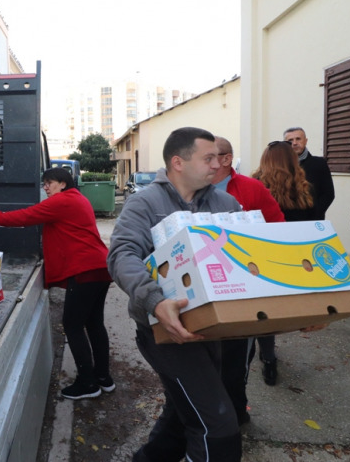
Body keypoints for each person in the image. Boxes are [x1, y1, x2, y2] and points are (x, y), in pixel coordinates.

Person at [108, 127, 243, 462]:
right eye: (209, 158)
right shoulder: (145, 203)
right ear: (178, 162)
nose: (219, 164)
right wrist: (155, 299)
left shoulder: (226, 203)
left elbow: (248, 260)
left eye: (220, 157)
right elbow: (122, 255)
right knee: (218, 424)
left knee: (185, 409)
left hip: (217, 326)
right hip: (165, 330)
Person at [0, 167, 113, 400]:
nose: (46, 188)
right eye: (45, 183)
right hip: (100, 267)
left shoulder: (63, 201)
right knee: (94, 324)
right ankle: (103, 378)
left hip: (85, 270)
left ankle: (88, 384)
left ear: (63, 183)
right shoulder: (79, 199)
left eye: (49, 183)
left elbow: (27, 216)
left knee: (73, 325)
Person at [211, 137, 286, 422]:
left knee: (236, 356)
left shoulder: (251, 189)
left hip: (243, 288)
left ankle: (236, 412)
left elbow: (277, 228)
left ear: (226, 159)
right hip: (206, 289)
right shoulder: (189, 188)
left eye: (209, 157)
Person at [249, 139, 317, 389]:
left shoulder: (254, 184)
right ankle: (269, 358)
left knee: (261, 305)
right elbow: (314, 220)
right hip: (293, 253)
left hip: (261, 251)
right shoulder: (304, 186)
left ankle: (263, 353)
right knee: (276, 306)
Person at [283, 127, 335, 220]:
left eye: (298, 139)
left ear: (305, 141)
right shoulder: (280, 165)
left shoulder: (319, 163)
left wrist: (314, 215)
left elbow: (328, 194)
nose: (294, 143)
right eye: (290, 140)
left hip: (312, 221)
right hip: (285, 222)